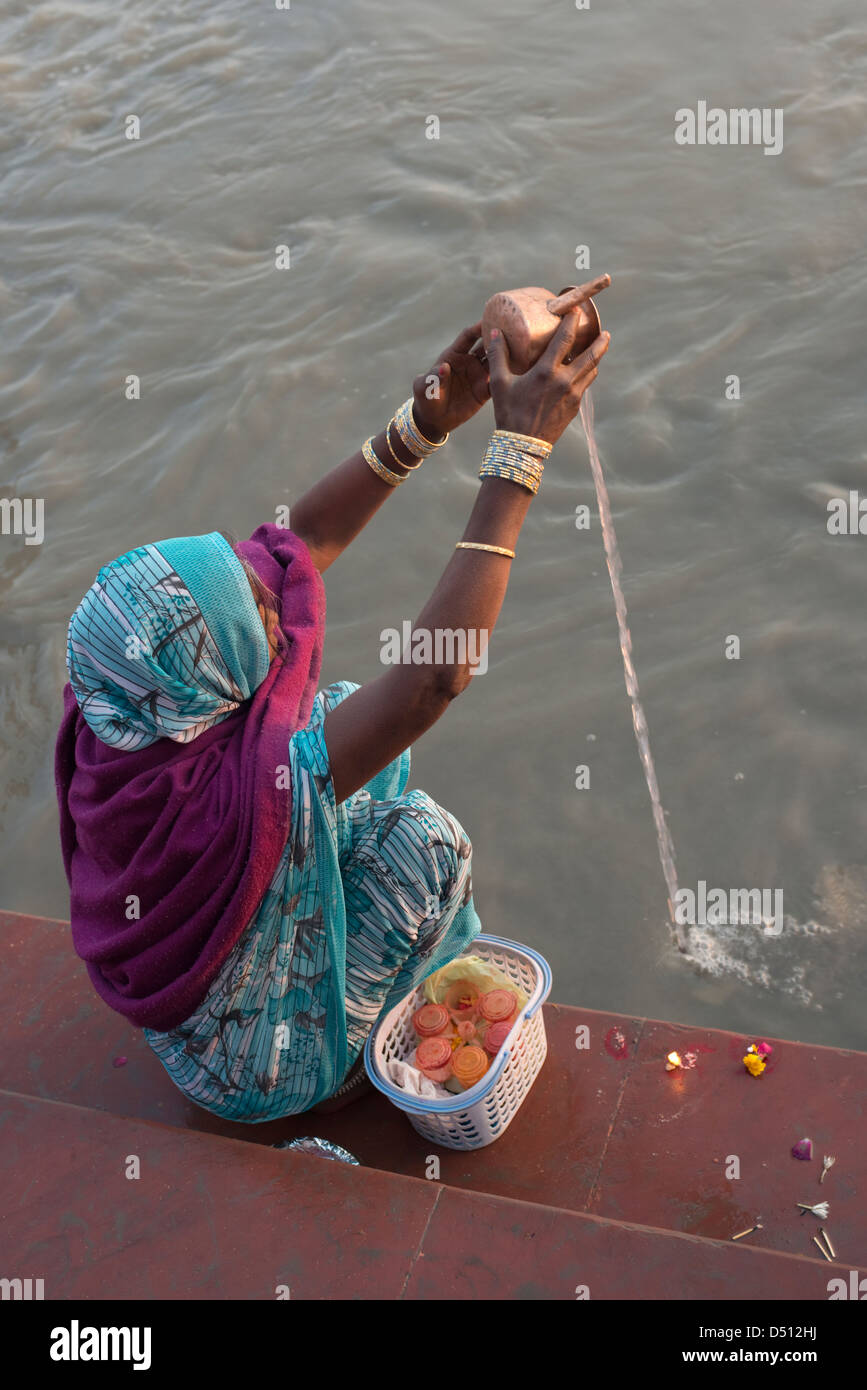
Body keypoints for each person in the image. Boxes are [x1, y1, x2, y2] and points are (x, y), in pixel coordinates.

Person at [55, 278, 610, 1120]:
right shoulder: (233, 791)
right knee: (423, 845)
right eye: (260, 622)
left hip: (196, 991)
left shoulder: (120, 700)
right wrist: (519, 452)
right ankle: (347, 1060)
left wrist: (431, 414)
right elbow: (432, 680)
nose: (274, 600)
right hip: (255, 1064)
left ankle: (324, 962)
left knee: (341, 714)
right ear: (207, 686)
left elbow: (299, 542)